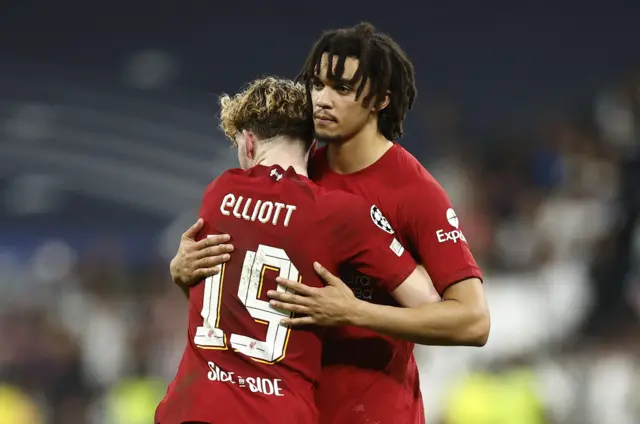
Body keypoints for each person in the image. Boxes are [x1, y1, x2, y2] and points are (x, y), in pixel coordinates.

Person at [170, 23, 490, 424]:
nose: (321, 99)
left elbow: (473, 322)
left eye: (340, 88)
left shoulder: (415, 192)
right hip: (293, 410)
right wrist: (185, 273)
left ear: (380, 100)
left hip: (374, 413)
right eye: (317, 84)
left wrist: (355, 312)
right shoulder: (299, 178)